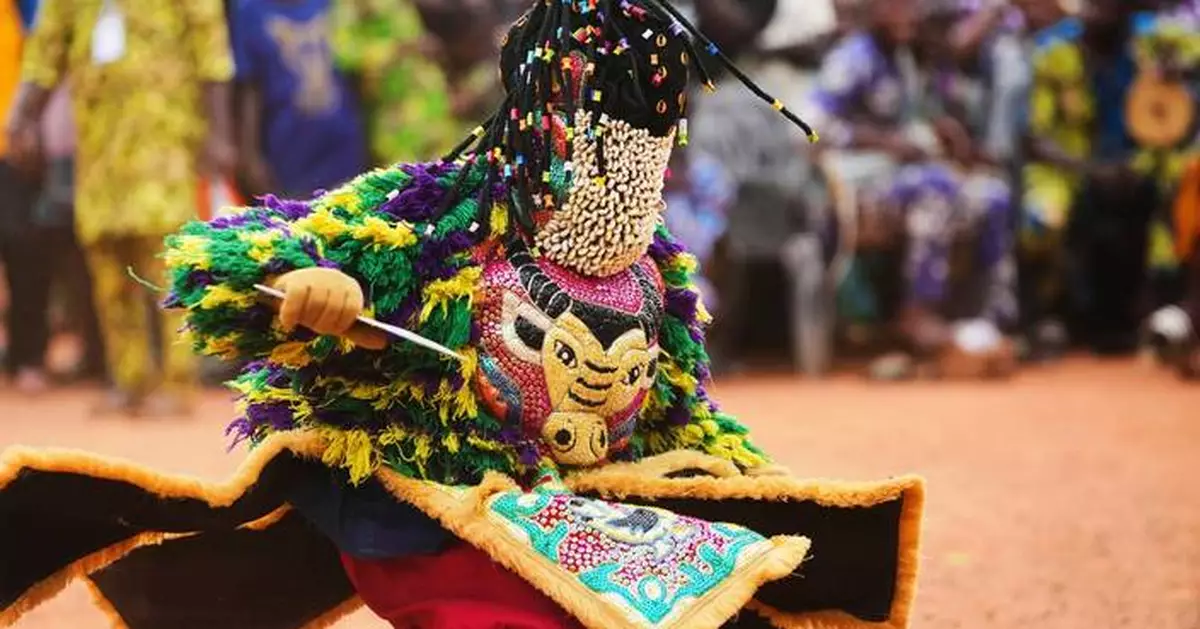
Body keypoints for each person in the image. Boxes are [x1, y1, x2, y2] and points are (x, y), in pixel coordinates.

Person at [0, 1, 924, 628]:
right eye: (603, 134)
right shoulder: (446, 209)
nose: (627, 164)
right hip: (432, 521)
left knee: (731, 580)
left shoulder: (657, 272)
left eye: (650, 136)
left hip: (577, 509)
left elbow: (683, 409)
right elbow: (237, 265)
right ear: (542, 123)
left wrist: (738, 479)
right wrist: (313, 290)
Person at [6, 0, 235, 415]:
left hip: (163, 142)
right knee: (109, 264)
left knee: (167, 262)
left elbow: (213, 53)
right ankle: (130, 380)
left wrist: (219, 134)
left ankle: (178, 381)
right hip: (99, 147)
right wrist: (22, 115)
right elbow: (45, 51)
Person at [805, 0, 1017, 378]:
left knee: (992, 196)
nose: (906, 13)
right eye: (895, 5)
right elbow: (810, 128)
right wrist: (885, 142)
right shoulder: (854, 57)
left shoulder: (905, 59)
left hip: (906, 181)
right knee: (936, 187)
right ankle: (917, 314)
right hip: (857, 191)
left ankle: (980, 322)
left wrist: (942, 134)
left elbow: (915, 124)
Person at [1021, 0, 1151, 355]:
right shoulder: (1054, 49)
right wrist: (1092, 170)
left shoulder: (1152, 42)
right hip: (1066, 169)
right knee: (1043, 218)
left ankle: (1161, 319)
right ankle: (1041, 318)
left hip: (1140, 165)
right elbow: (1034, 136)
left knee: (1177, 202)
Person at [233, 0, 369, 199]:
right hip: (287, 149)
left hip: (343, 143)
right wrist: (251, 155)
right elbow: (250, 87)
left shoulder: (334, 5)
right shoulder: (250, 11)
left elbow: (357, 73)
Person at [330, 0, 460, 166]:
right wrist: (396, 49)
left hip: (432, 108)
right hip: (395, 118)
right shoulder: (352, 5)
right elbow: (344, 53)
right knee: (403, 184)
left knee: (449, 176)